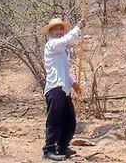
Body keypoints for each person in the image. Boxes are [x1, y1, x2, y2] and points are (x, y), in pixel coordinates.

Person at [41, 17, 85, 161]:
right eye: (56, 29)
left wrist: (73, 83)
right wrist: (78, 28)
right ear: (50, 31)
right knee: (55, 120)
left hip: (64, 88)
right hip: (55, 88)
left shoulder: (63, 50)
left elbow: (63, 71)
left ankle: (62, 146)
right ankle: (49, 149)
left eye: (60, 28)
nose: (59, 31)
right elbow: (66, 40)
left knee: (69, 119)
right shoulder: (52, 45)